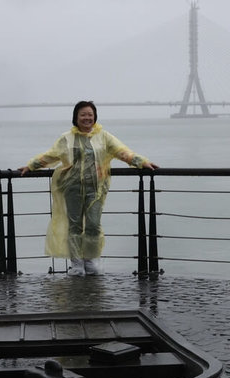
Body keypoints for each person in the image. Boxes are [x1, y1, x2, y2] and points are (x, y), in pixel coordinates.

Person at [19, 101, 158, 276]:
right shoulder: (66, 138)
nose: (87, 118)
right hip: (72, 187)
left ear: (95, 117)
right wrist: (31, 166)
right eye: (83, 114)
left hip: (96, 188)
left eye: (90, 114)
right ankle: (77, 263)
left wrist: (141, 162)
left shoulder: (104, 136)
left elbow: (123, 152)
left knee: (93, 224)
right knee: (75, 226)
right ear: (76, 118)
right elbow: (51, 155)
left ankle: (91, 260)